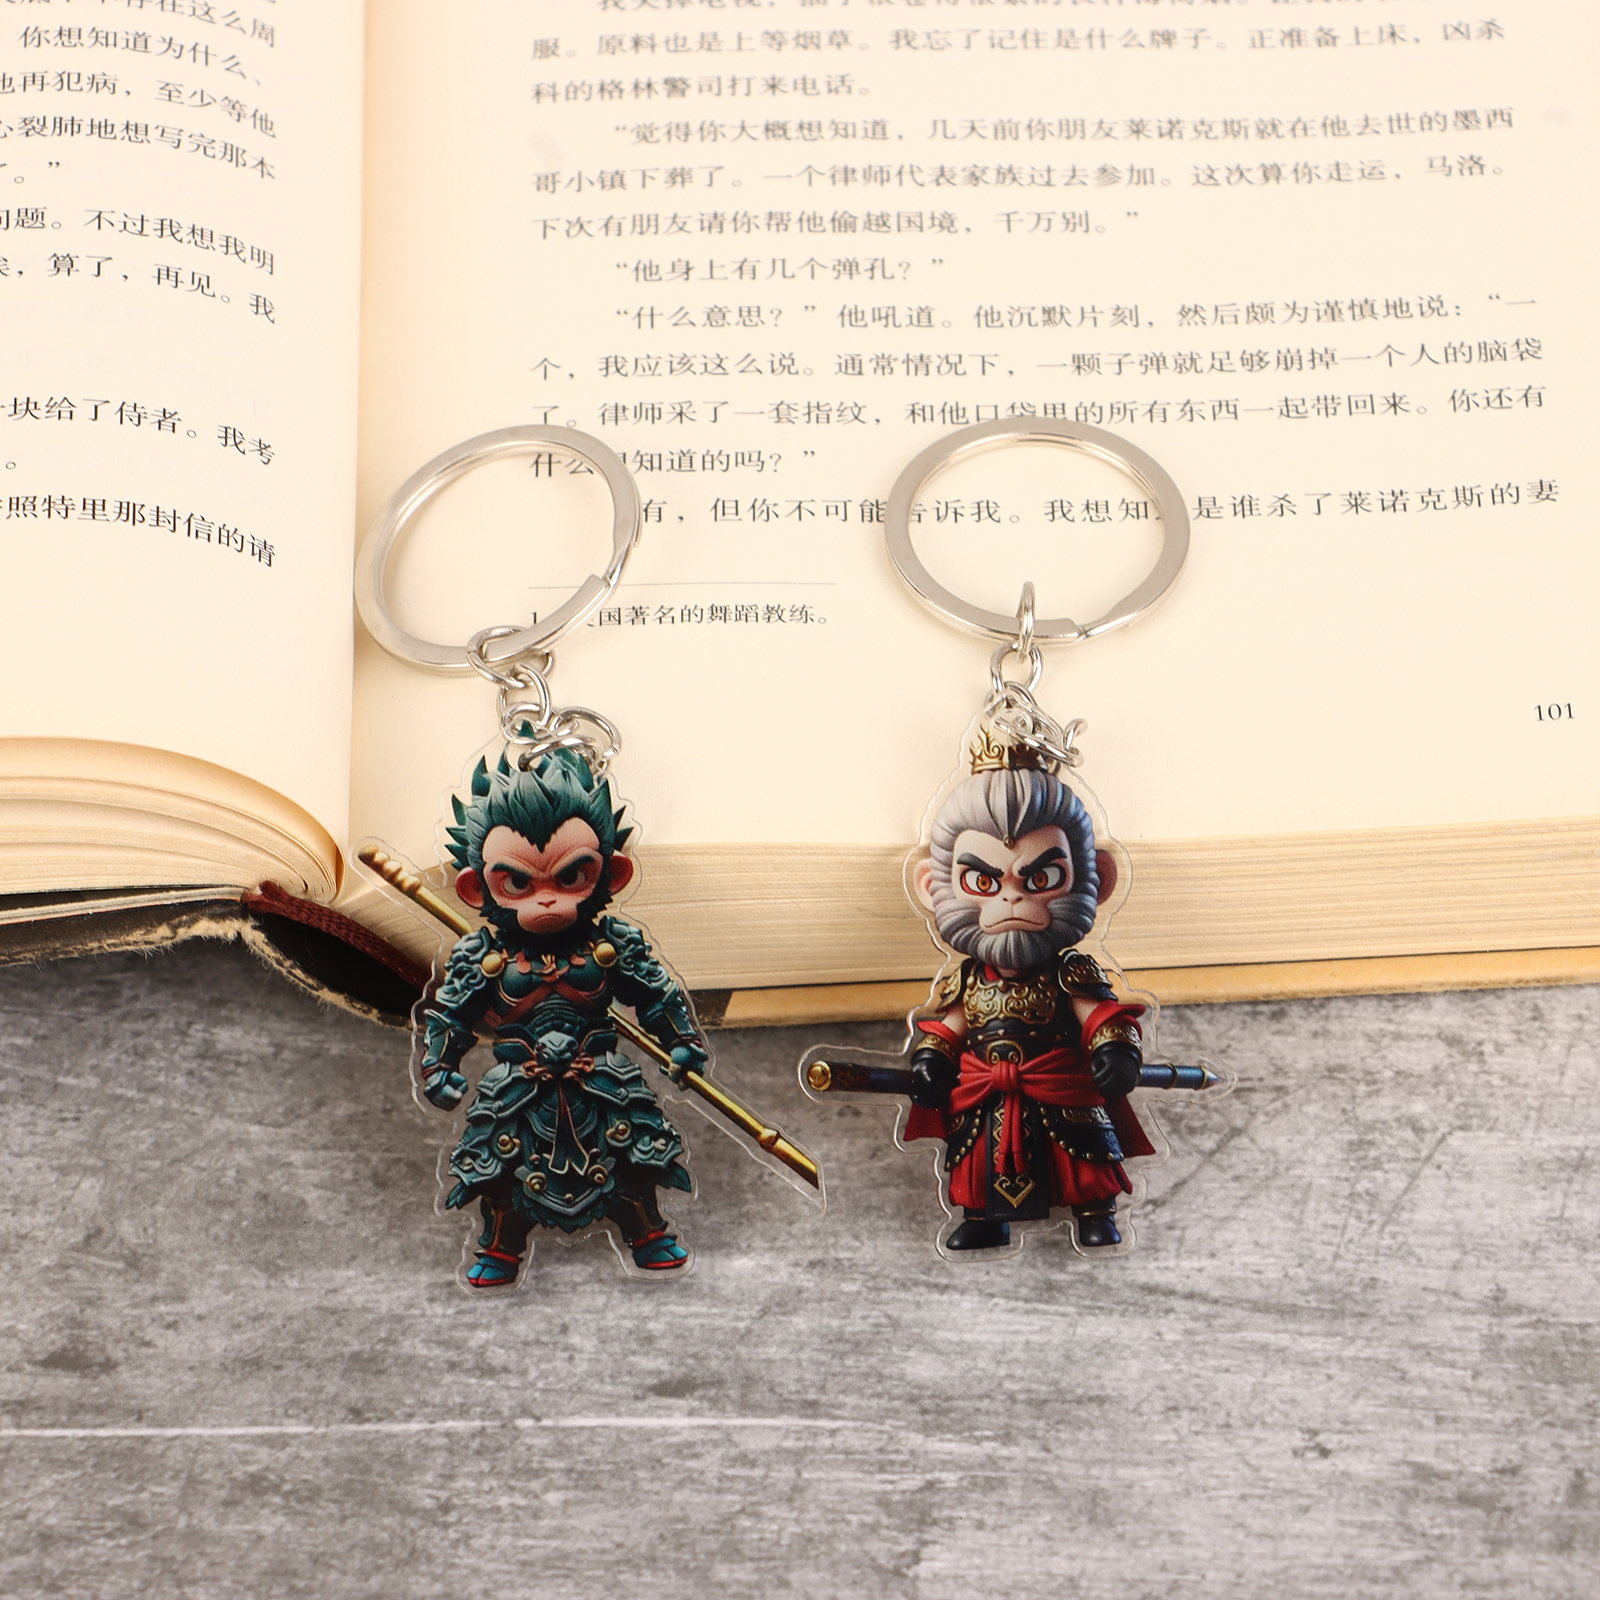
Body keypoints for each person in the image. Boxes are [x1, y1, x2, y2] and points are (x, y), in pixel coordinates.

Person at [415, 746, 705, 1287]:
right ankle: (500, 1247)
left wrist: (682, 1042)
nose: (546, 901)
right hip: (517, 1086)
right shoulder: (485, 956)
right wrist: (438, 1066)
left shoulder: (610, 945)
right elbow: (451, 1015)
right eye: (519, 883)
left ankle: (647, 1232)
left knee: (633, 1154)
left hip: (602, 1080)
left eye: (570, 877)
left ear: (611, 875)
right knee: (499, 1165)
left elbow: (656, 996)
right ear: (476, 887)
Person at [905, 732, 1156, 1250]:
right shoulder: (966, 979)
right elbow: (947, 1028)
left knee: (1081, 1157)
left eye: (1040, 879)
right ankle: (983, 1218)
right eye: (983, 883)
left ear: (1097, 878)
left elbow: (1101, 1017)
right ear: (933, 886)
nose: (1012, 900)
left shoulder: (1070, 972)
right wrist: (930, 1059)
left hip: (1060, 1088)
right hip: (987, 1094)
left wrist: (1116, 1051)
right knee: (976, 1158)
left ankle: (1095, 1211)